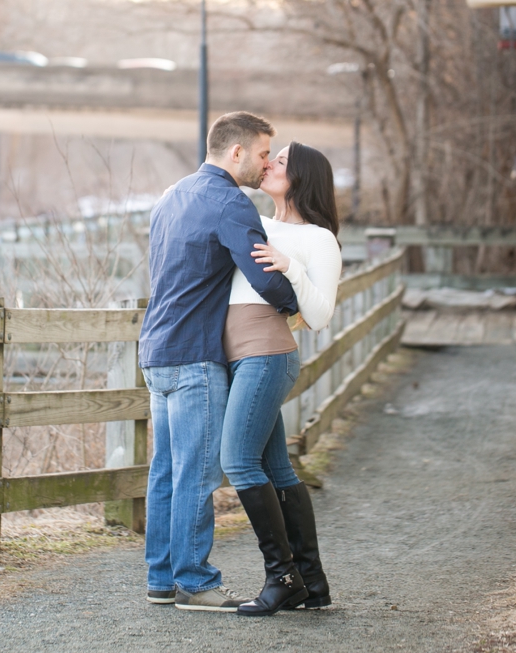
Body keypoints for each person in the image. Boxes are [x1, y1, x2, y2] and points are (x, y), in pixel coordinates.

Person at [138, 112, 299, 612]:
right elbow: (264, 274)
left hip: (156, 350)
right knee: (197, 473)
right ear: (236, 153)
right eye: (261, 153)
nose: (265, 163)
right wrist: (298, 302)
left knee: (166, 470)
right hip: (194, 356)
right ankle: (196, 580)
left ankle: (161, 578)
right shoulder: (230, 201)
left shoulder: (171, 196)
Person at [219, 141, 342, 616]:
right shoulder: (252, 218)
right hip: (235, 355)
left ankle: (283, 577)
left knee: (238, 460)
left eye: (282, 161)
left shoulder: (318, 239)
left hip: (267, 354)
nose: (268, 163)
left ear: (303, 176)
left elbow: (321, 314)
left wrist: (290, 268)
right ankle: (312, 584)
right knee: (277, 469)